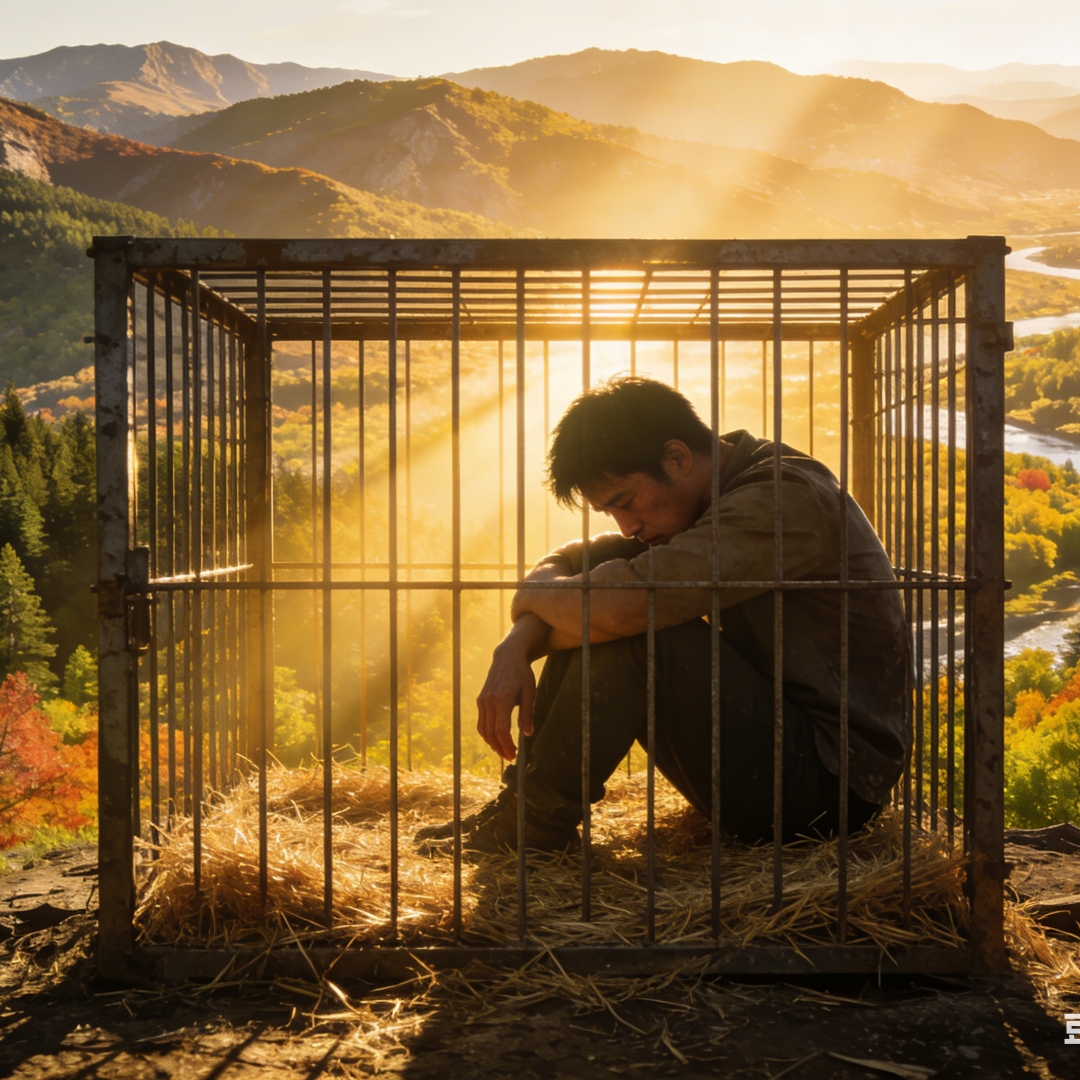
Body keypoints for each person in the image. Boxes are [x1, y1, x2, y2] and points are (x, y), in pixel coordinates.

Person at [418, 375, 911, 853]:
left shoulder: (782, 499)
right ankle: (523, 803)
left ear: (677, 457)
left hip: (826, 789)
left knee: (632, 630)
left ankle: (535, 827)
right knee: (597, 585)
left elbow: (620, 609)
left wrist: (533, 608)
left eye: (627, 502)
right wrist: (517, 641)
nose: (627, 526)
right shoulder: (711, 496)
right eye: (610, 513)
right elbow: (573, 563)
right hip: (774, 752)